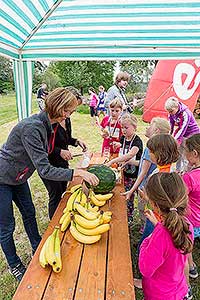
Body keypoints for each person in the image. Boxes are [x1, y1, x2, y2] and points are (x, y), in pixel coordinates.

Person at [0, 87, 99, 281]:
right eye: (70, 110)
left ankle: (37, 245)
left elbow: (50, 149)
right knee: (6, 227)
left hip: (19, 177)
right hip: (3, 177)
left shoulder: (49, 125)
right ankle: (15, 264)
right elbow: (44, 169)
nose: (71, 114)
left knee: (29, 212)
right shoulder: (32, 128)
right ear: (61, 110)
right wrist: (77, 173)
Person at [138, 172, 193, 300]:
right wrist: (158, 225)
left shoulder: (160, 235)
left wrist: (147, 241)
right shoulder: (186, 225)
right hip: (178, 290)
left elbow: (145, 269)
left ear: (154, 205)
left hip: (159, 295)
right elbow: (170, 244)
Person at [42, 86, 87, 219]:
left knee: (63, 191)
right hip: (50, 163)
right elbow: (45, 147)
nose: (69, 115)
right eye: (70, 110)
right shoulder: (50, 122)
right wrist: (59, 151)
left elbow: (65, 138)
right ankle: (54, 221)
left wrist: (76, 141)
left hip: (62, 163)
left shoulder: (66, 119)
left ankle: (62, 216)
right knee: (55, 194)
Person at [123, 117, 171, 227]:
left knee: (144, 210)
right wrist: (131, 161)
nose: (147, 127)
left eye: (149, 125)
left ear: (156, 131)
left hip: (145, 187)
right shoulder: (160, 146)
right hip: (151, 187)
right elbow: (144, 164)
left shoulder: (151, 147)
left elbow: (143, 172)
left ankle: (146, 229)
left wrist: (132, 190)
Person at [106, 113, 143, 225]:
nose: (123, 130)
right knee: (125, 194)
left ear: (134, 127)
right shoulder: (123, 138)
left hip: (135, 175)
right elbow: (124, 147)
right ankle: (126, 213)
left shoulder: (137, 141)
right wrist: (119, 145)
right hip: (125, 172)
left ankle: (130, 217)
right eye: (122, 127)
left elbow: (130, 154)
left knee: (130, 196)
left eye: (126, 127)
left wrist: (113, 161)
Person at [165, 96, 200, 172]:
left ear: (177, 107)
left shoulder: (186, 113)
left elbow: (182, 129)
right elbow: (171, 124)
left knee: (186, 154)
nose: (170, 113)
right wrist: (170, 136)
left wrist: (175, 140)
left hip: (192, 134)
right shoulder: (171, 113)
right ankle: (178, 170)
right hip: (183, 134)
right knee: (179, 153)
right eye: (168, 111)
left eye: (171, 111)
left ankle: (186, 171)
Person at [182, 133, 200, 279]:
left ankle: (191, 268)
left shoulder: (189, 177)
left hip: (190, 220)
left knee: (185, 245)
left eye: (185, 151)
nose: (184, 154)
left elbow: (179, 195)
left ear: (194, 153)